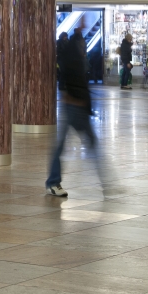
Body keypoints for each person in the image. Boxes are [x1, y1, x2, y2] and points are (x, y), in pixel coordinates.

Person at [46, 25, 104, 197]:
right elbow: (67, 83)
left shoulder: (77, 60)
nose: (84, 48)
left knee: (90, 144)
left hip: (80, 108)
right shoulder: (71, 59)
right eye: (82, 45)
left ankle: (106, 182)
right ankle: (53, 182)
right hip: (73, 108)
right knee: (62, 145)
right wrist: (72, 100)